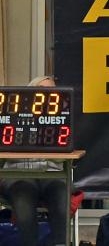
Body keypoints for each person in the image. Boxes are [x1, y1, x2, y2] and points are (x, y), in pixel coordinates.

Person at [0, 76, 67, 246]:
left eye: (53, 92)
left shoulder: (63, 120)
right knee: (24, 208)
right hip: (18, 175)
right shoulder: (11, 116)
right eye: (43, 90)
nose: (48, 96)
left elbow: (71, 149)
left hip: (51, 175)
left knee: (61, 204)